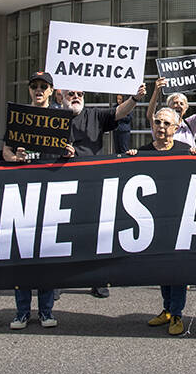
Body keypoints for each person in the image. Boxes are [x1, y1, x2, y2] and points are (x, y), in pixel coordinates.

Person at [57, 82, 146, 297]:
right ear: (61, 96)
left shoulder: (95, 116)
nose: (76, 97)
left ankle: (97, 280)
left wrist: (134, 98)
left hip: (90, 183)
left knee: (93, 234)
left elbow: (119, 112)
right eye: (71, 94)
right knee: (60, 234)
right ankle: (56, 282)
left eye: (79, 94)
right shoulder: (52, 117)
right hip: (59, 183)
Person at [124, 106, 196, 335]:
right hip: (154, 220)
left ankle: (177, 313)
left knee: (178, 268)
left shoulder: (185, 150)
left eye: (167, 124)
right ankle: (166, 309)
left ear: (176, 128)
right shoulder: (144, 151)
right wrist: (129, 161)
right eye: (158, 122)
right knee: (162, 266)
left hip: (179, 218)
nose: (162, 127)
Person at [1, 70, 62, 329]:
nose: (39, 90)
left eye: (43, 86)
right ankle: (22, 311)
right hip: (24, 192)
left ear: (50, 91)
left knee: (47, 256)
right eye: (34, 86)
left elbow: (67, 150)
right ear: (30, 90)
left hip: (50, 193)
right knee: (23, 256)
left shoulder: (61, 118)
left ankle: (46, 311)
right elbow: (6, 148)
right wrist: (13, 158)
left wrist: (68, 152)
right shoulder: (20, 118)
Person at [146, 70, 196, 149]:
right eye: (174, 103)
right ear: (168, 106)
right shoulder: (160, 123)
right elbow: (150, 115)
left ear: (186, 108)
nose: (178, 105)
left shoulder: (190, 123)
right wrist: (156, 91)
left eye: (181, 104)